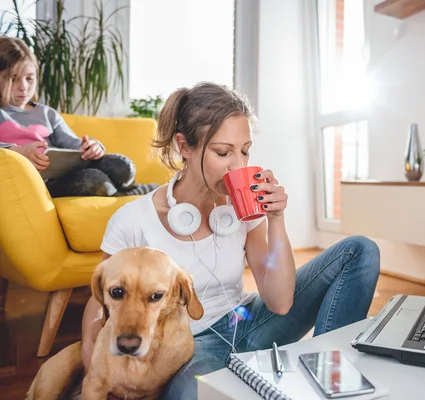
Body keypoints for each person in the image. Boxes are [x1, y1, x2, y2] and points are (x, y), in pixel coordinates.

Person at [81, 81, 381, 399]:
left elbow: (280, 302)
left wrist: (275, 219)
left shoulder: (241, 210)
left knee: (360, 250)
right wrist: (93, 362)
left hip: (248, 321)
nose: (238, 165)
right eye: (223, 152)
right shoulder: (133, 220)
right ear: (184, 147)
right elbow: (99, 301)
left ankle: (330, 378)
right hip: (188, 346)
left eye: (245, 151)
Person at [0, 37, 157, 197]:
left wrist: (91, 147)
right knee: (94, 180)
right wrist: (17, 151)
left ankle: (131, 194)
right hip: (42, 183)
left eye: (29, 78)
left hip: (65, 174)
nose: (23, 87)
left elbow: (73, 145)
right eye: (13, 79)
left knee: (123, 166)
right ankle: (138, 195)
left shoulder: (47, 113)